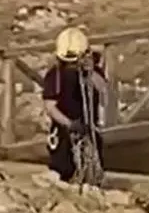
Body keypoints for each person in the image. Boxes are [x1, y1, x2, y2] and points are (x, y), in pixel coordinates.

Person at [43, 27, 108, 184]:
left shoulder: (91, 73)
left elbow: (103, 90)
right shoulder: (55, 75)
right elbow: (50, 107)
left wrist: (91, 72)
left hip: (89, 132)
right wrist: (70, 124)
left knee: (91, 174)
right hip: (64, 135)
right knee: (62, 176)